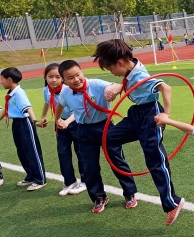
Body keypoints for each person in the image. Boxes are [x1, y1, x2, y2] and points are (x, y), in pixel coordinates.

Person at [92, 40, 185, 226]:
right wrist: (118, 88)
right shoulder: (130, 68)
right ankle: (140, 147)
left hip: (150, 114)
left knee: (154, 159)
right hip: (136, 115)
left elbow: (165, 87)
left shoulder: (140, 75)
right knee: (108, 138)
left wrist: (166, 115)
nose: (112, 73)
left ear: (120, 62)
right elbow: (129, 81)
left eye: (111, 69)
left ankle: (172, 202)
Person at [55, 59, 138, 213]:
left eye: (77, 75)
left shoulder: (96, 84)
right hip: (83, 130)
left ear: (82, 72)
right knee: (89, 166)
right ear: (64, 80)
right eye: (70, 78)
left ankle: (129, 193)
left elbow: (119, 85)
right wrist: (58, 119)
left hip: (105, 127)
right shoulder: (66, 92)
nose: (76, 80)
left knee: (117, 160)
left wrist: (111, 90)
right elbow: (60, 105)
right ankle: (99, 197)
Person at [35, 63, 86, 196]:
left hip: (76, 123)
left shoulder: (68, 91)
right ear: (45, 77)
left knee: (81, 152)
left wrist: (66, 122)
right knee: (63, 153)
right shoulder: (46, 90)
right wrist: (43, 116)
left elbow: (78, 111)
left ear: (63, 78)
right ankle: (69, 181)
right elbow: (47, 102)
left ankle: (85, 180)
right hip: (60, 124)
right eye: (50, 76)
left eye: (57, 77)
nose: (54, 80)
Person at [0, 68, 47, 191]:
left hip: (25, 123)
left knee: (32, 151)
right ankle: (31, 175)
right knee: (22, 151)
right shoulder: (11, 93)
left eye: (2, 79)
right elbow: (6, 108)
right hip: (17, 124)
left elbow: (28, 108)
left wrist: (35, 121)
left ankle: (40, 179)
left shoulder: (19, 93)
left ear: (9, 80)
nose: (0, 82)